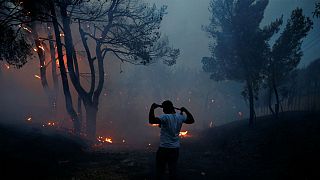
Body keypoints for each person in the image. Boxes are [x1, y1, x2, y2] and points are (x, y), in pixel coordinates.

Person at [149, 100, 194, 180]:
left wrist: (152, 108)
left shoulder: (165, 117)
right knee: (172, 170)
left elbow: (151, 120)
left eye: (163, 108)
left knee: (160, 171)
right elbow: (191, 120)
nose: (163, 110)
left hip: (164, 148)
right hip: (175, 149)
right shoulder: (180, 117)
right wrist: (185, 110)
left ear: (167, 108)